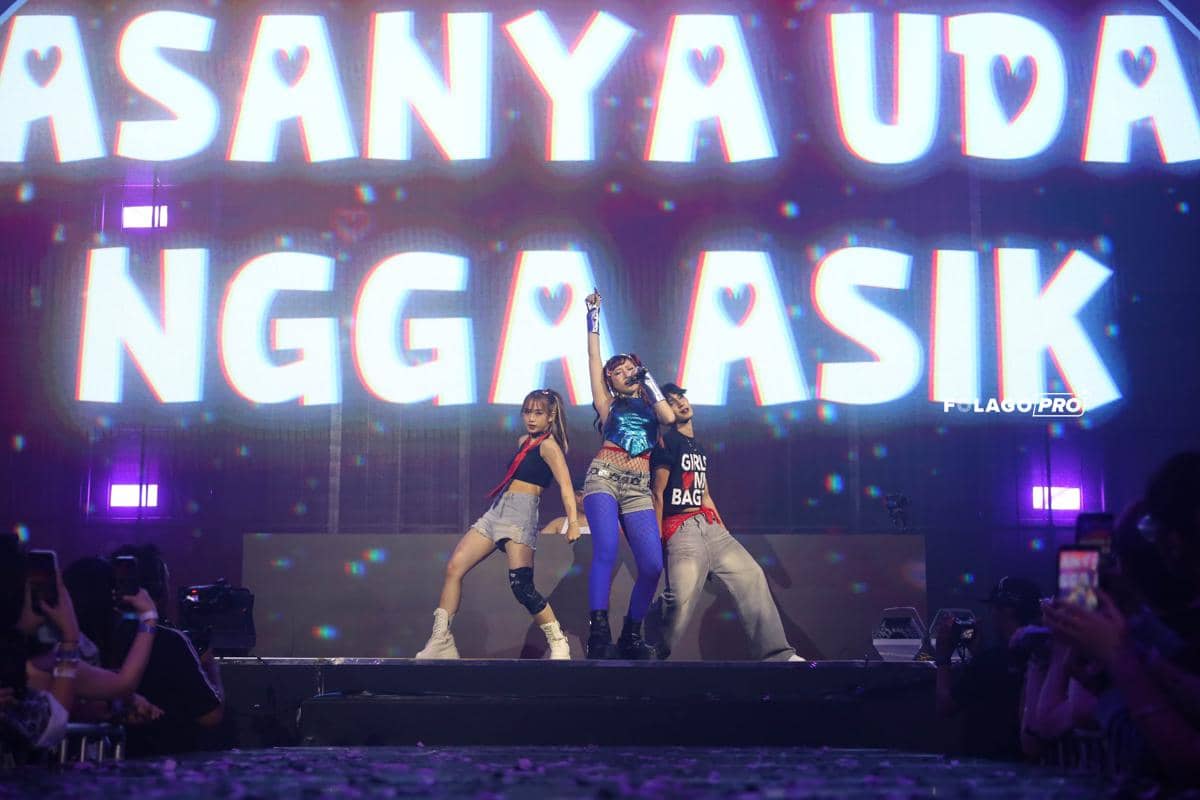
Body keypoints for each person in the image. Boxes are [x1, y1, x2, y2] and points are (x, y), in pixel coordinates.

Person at [416, 389, 580, 660]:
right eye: (527, 412)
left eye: (538, 413)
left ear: (551, 416)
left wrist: (573, 522)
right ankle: (441, 640)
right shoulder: (523, 441)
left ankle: (558, 641)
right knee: (455, 567)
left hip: (521, 513)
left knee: (521, 586)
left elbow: (565, 487)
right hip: (497, 510)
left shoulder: (549, 447)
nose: (531, 418)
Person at [649, 383, 803, 662]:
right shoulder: (666, 443)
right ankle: (649, 651)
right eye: (671, 401)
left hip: (709, 525)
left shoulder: (698, 447)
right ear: (664, 412)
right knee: (680, 598)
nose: (681, 403)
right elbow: (658, 494)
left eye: (681, 397)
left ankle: (777, 655)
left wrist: (722, 531)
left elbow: (704, 494)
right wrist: (657, 541)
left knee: (752, 575)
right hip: (681, 528)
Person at [582, 289, 674, 659]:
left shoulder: (653, 408)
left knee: (652, 565)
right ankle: (598, 631)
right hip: (604, 477)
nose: (625, 374)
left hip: (639, 488)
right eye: (617, 373)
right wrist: (593, 316)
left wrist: (647, 379)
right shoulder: (607, 404)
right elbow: (593, 358)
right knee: (606, 549)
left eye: (628, 369)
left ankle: (631, 635)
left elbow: (668, 416)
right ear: (610, 382)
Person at [106, 544, 224, 755]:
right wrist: (210, 666)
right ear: (159, 590)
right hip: (167, 763)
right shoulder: (171, 642)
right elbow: (211, 716)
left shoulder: (91, 637)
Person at [933, 575, 1043, 761]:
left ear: (1005, 611)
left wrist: (943, 658)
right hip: (1034, 764)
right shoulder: (1046, 654)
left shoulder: (990, 661)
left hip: (988, 765)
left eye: (992, 608)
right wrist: (978, 653)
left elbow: (945, 706)